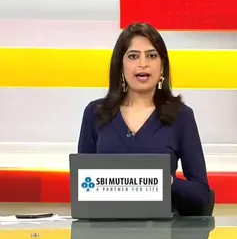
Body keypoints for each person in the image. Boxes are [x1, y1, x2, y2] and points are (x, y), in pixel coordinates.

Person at [77, 22, 211, 215]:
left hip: (161, 231)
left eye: (151, 55)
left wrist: (166, 182)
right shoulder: (95, 113)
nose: (143, 63)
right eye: (133, 56)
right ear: (120, 65)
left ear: (162, 66)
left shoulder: (181, 116)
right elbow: (82, 187)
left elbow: (202, 196)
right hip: (104, 229)